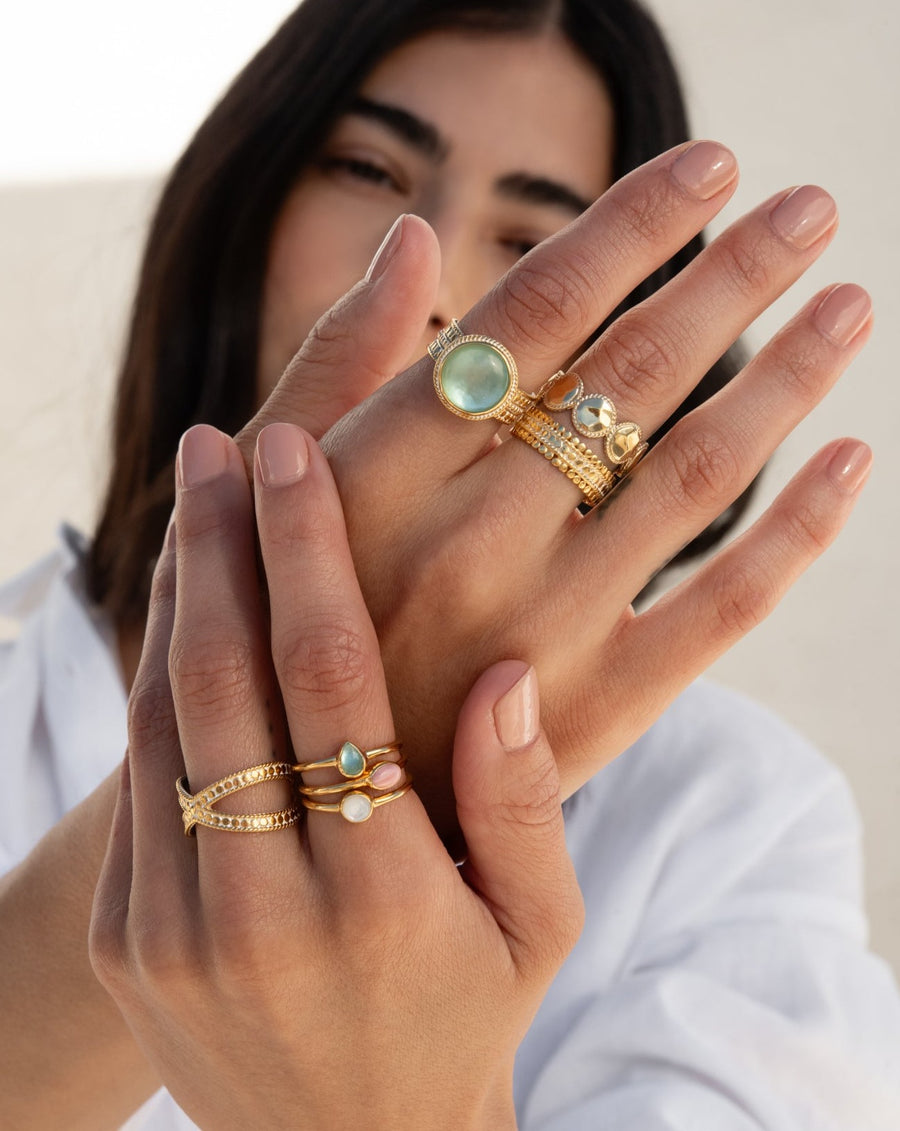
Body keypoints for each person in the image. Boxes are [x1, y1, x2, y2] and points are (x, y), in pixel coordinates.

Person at [2, 0, 899, 1127]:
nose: (427, 289)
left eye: (533, 243)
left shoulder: (734, 816)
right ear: (243, 200)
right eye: (367, 170)